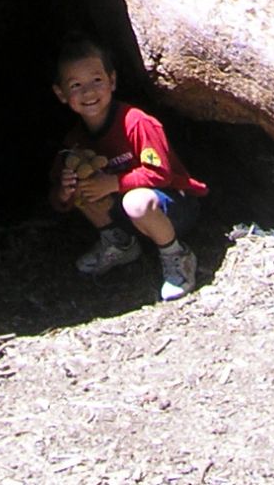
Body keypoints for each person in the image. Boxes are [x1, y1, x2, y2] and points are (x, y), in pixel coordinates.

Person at [47, 36, 209, 301]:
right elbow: (57, 198)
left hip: (172, 206)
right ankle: (119, 244)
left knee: (136, 201)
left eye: (96, 80)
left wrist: (112, 184)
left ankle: (176, 256)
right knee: (83, 186)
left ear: (112, 80)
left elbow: (161, 173)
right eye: (76, 85)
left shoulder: (136, 123)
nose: (88, 92)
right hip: (126, 212)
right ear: (61, 94)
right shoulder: (75, 142)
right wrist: (66, 191)